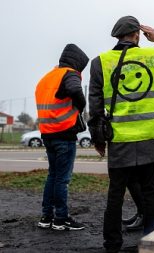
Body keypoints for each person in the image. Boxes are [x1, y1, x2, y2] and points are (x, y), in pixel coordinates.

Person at [88, 16, 154, 252]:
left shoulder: (100, 62)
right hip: (152, 138)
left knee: (116, 193)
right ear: (137, 35)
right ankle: (152, 241)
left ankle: (112, 244)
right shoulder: (152, 57)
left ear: (117, 36)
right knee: (151, 192)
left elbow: (95, 103)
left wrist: (98, 138)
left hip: (120, 139)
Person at [35, 43, 89, 231]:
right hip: (64, 134)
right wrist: (81, 107)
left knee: (53, 176)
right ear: (77, 62)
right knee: (62, 179)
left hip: (48, 134)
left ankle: (46, 217)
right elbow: (75, 90)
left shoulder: (47, 77)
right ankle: (61, 219)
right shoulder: (70, 73)